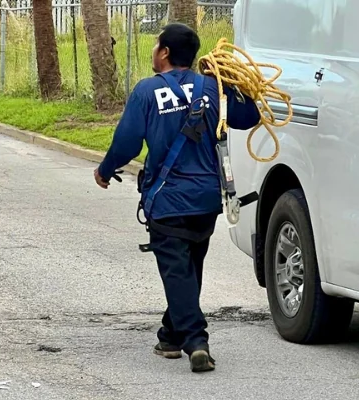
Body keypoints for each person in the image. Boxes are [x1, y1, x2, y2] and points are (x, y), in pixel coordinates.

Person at [93, 23, 261, 373]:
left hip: (167, 198)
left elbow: (127, 142)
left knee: (178, 271)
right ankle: (170, 335)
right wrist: (228, 83)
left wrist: (105, 170)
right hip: (205, 199)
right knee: (187, 267)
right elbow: (249, 116)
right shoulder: (213, 88)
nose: (153, 50)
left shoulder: (146, 91)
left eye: (155, 45)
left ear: (165, 52)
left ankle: (196, 341)